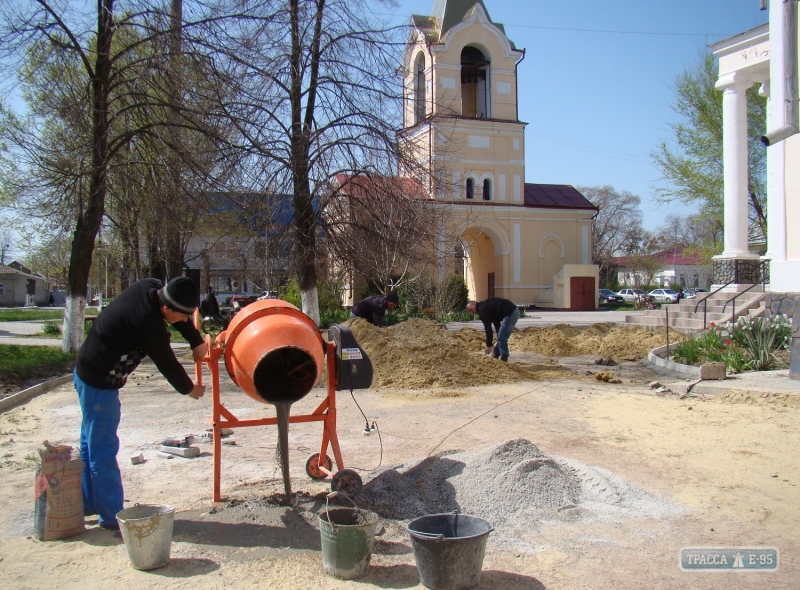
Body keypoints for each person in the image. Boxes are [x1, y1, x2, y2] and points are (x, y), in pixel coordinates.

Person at [73, 277, 207, 529]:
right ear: (166, 309)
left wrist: (196, 340)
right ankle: (111, 516)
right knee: (102, 450)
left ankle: (90, 502)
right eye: (181, 316)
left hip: (86, 372)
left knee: (90, 445)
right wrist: (190, 389)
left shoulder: (150, 287)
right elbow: (168, 362)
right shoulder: (148, 324)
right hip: (99, 383)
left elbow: (180, 317)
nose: (183, 321)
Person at [465, 297, 520, 362]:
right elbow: (496, 321)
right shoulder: (485, 307)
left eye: (471, 309)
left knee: (502, 339)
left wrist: (489, 345)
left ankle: (504, 358)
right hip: (512, 311)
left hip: (510, 313)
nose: (472, 312)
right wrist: (498, 333)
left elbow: (488, 329)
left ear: (474, 304)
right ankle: (496, 354)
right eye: (470, 311)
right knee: (500, 337)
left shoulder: (482, 310)